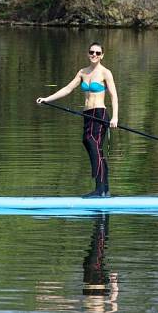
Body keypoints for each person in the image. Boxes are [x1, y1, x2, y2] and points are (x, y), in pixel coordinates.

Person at [36, 42, 118, 198]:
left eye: (98, 53)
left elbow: (114, 96)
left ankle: (100, 189)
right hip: (87, 114)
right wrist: (47, 99)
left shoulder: (105, 73)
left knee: (93, 143)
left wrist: (115, 117)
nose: (94, 55)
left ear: (102, 55)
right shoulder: (82, 72)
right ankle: (104, 189)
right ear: (88, 54)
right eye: (92, 52)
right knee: (88, 142)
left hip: (100, 114)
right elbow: (67, 89)